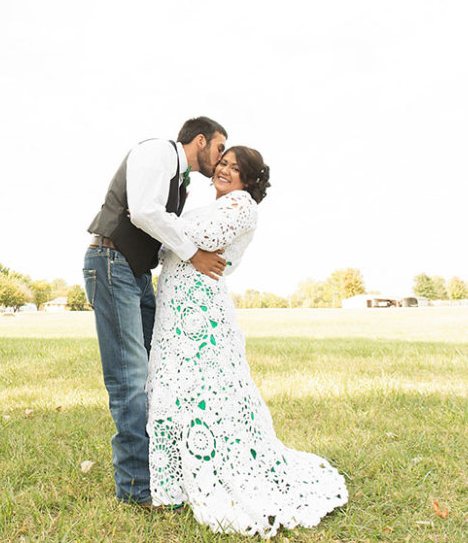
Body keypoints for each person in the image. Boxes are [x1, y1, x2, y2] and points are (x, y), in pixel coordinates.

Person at [146, 147, 348, 537]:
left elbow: (201, 237)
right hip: (177, 310)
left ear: (250, 180)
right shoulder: (210, 205)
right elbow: (166, 246)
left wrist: (160, 221)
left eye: (235, 168)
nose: (224, 170)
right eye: (222, 163)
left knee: (201, 391)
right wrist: (170, 232)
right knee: (172, 388)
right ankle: (174, 481)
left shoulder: (242, 206)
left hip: (199, 315)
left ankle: (209, 471)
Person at [83, 116, 228, 506]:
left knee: (159, 371)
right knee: (129, 378)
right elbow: (145, 212)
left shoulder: (179, 181)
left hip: (136, 273)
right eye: (219, 148)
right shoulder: (158, 152)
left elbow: (163, 234)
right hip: (112, 263)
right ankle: (135, 488)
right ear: (200, 140)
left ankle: (163, 470)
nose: (221, 157)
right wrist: (195, 254)